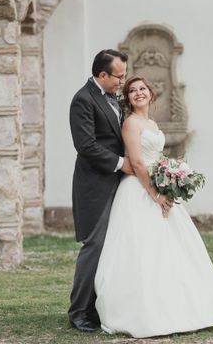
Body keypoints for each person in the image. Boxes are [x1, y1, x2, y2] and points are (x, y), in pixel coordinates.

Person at [94, 75, 213, 337]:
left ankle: (183, 306)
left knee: (174, 249)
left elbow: (154, 158)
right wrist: (156, 195)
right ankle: (143, 312)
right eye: (133, 90)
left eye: (142, 89)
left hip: (155, 185)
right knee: (144, 251)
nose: (138, 93)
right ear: (127, 98)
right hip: (138, 191)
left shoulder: (150, 122)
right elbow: (137, 163)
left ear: (151, 93)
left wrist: (172, 170)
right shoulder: (131, 123)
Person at [68, 49, 131, 333]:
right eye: (119, 76)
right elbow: (86, 145)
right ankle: (78, 311)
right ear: (102, 75)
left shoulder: (113, 97)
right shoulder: (83, 99)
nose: (123, 81)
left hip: (119, 183)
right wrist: (122, 163)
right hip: (95, 184)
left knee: (115, 246)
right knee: (94, 246)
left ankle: (99, 307)